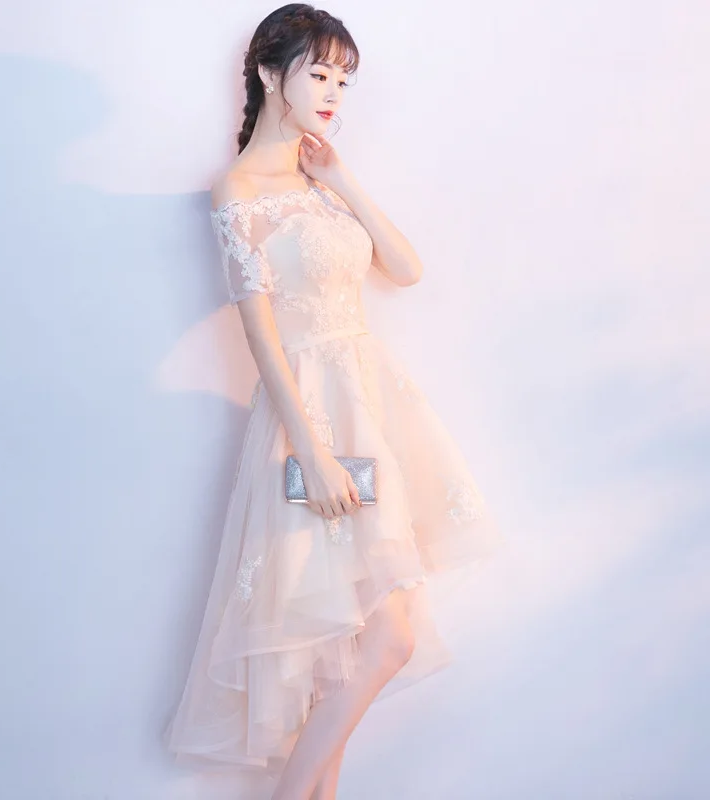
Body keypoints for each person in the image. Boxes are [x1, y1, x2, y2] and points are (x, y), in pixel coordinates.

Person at [163, 4, 504, 798]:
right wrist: (312, 454)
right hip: (307, 426)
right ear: (266, 72)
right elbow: (260, 334)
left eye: (343, 80)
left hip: (371, 417)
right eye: (318, 73)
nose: (332, 93)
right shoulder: (237, 188)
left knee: (364, 643)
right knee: (382, 638)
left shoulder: (321, 188)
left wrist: (341, 177)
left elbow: (406, 269)